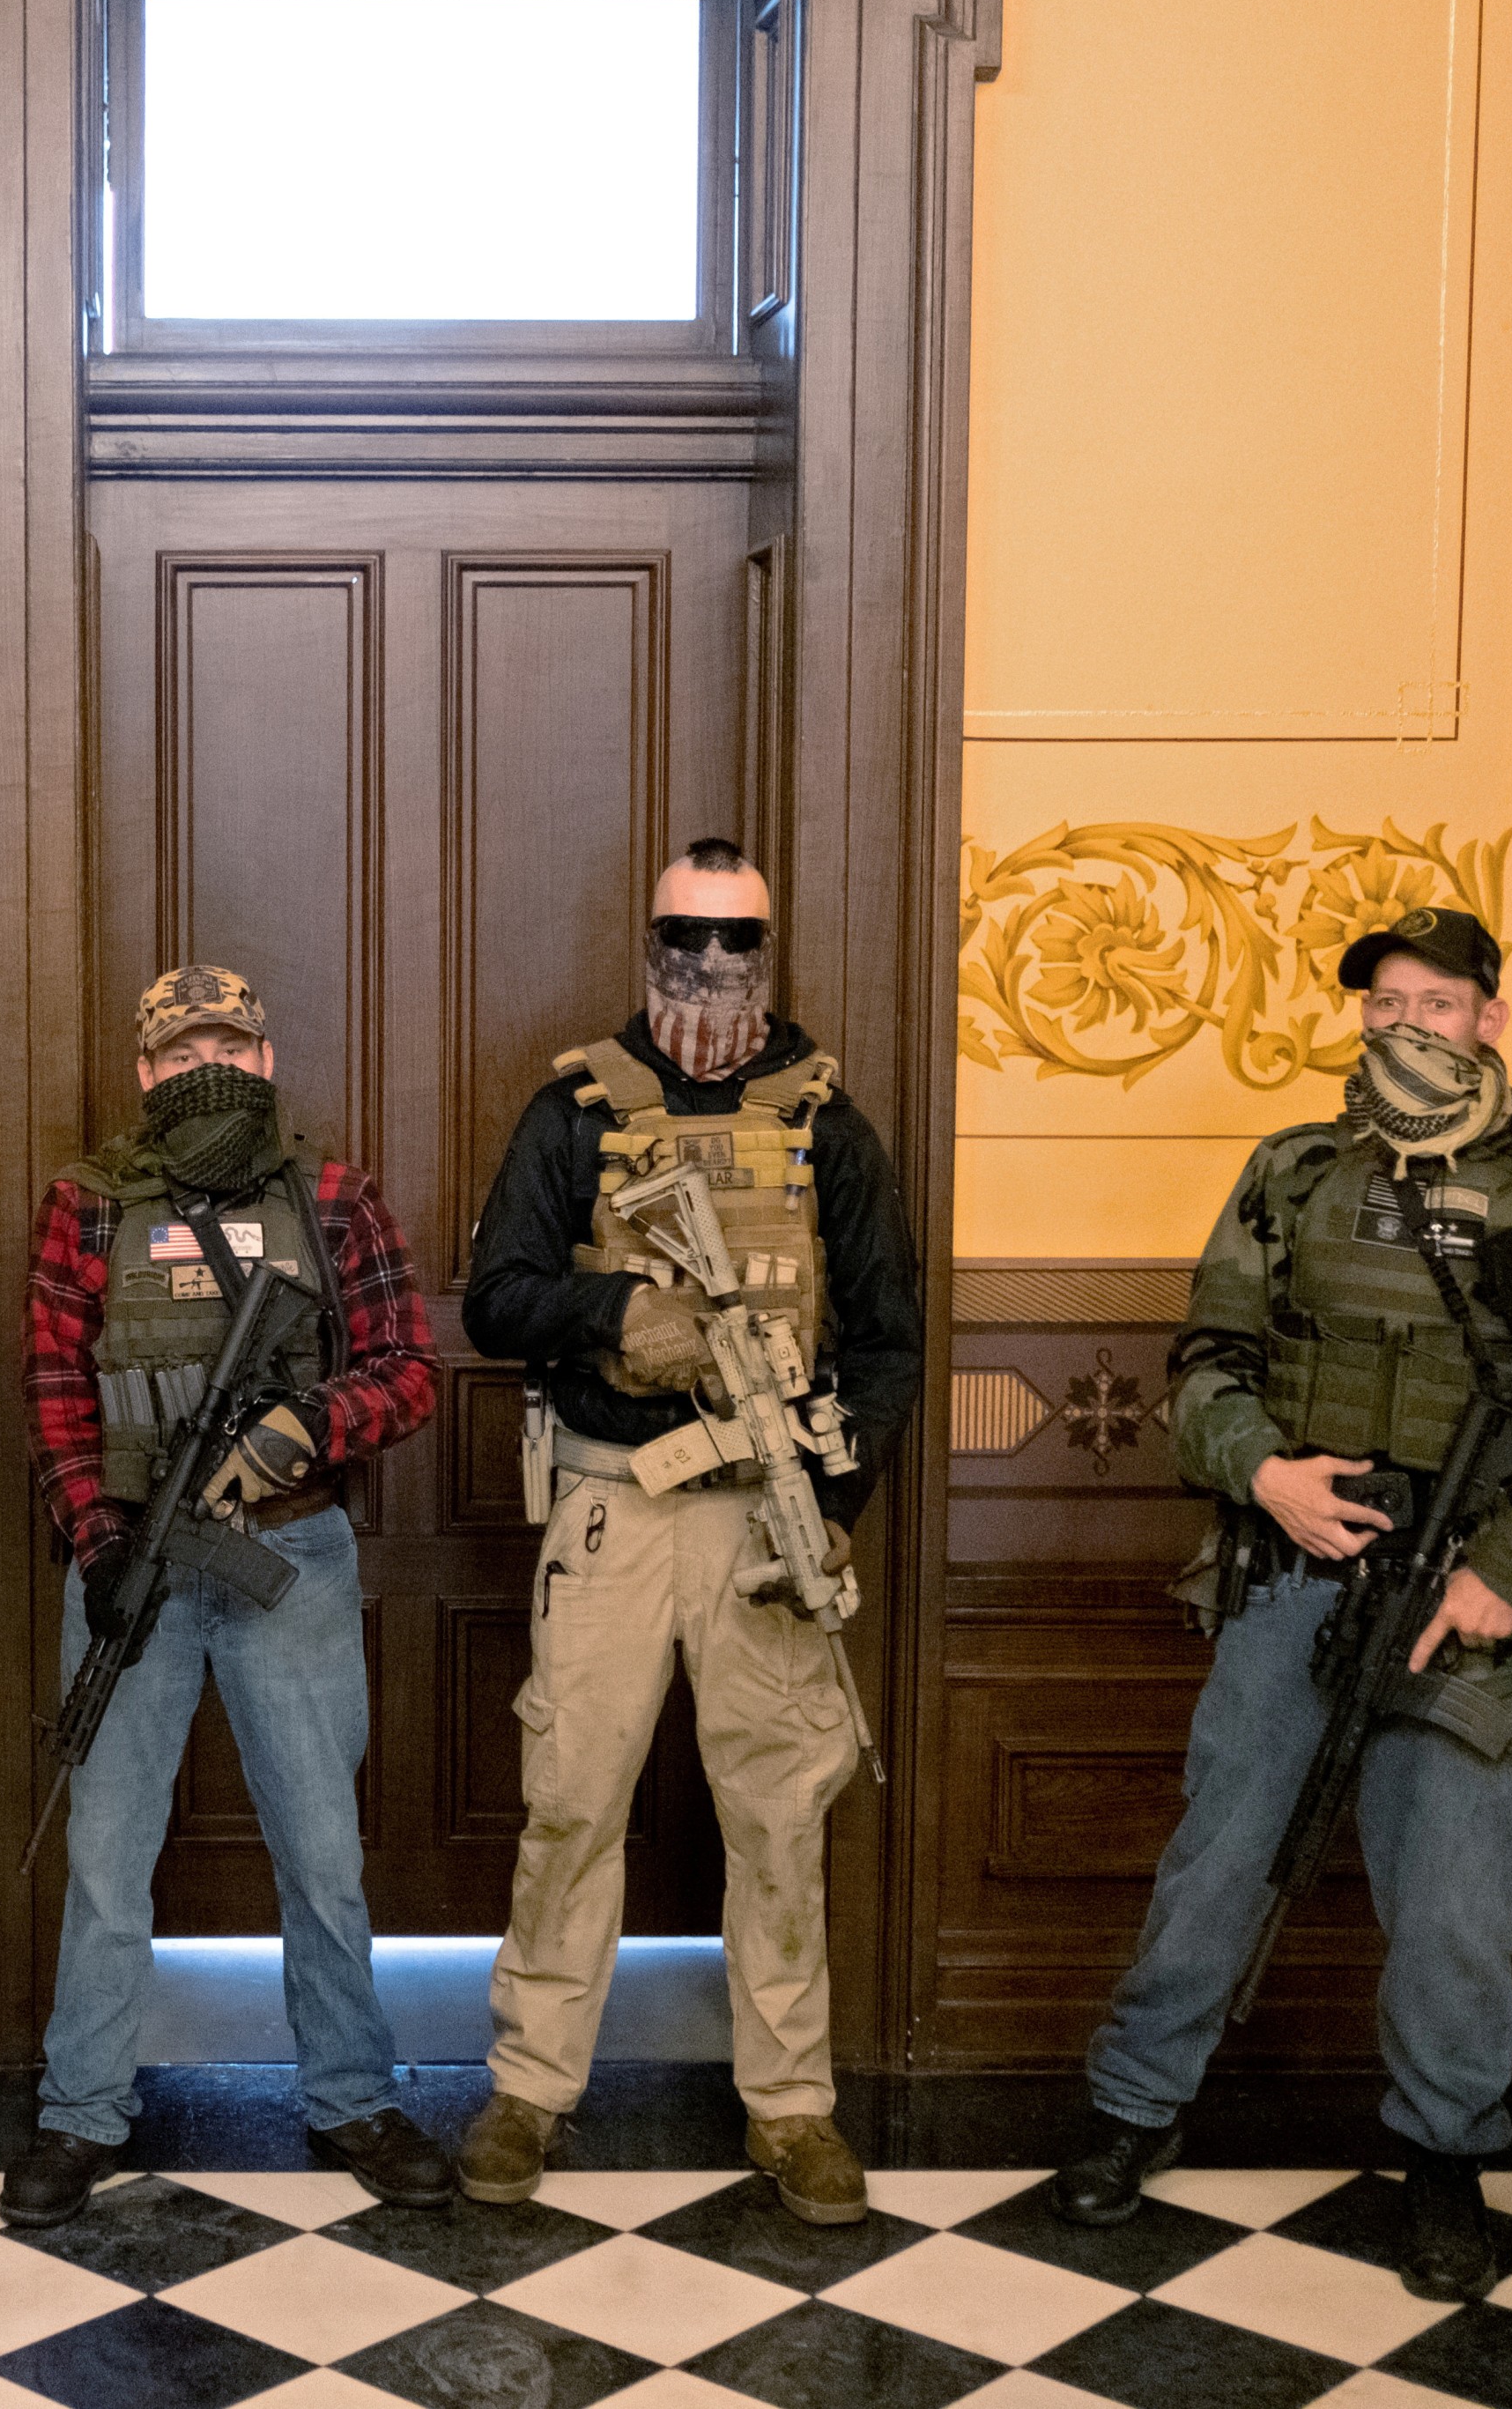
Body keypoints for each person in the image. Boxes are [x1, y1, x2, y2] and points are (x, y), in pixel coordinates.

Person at [1050, 907, 1512, 2302]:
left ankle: (1445, 2158)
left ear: (1489, 1020)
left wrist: (1505, 1576)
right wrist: (1265, 1470)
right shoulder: (1297, 1172)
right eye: (1386, 1005)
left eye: (1435, 1006)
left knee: (1454, 1896)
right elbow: (1205, 1358)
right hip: (1297, 1560)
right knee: (1220, 1855)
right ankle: (1134, 2107)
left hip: (1467, 1594)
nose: (1406, 1028)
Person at [456, 841, 923, 2224]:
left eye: (739, 941)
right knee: (571, 1800)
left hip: (761, 1520)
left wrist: (830, 1506)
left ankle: (792, 2106)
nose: (712, 966)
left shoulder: (828, 1124)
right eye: (684, 936)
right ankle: (531, 2086)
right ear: (646, 939)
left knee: (779, 1818)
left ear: (772, 949)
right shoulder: (576, 1111)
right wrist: (613, 1317)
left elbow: (890, 1340)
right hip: (612, 1504)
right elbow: (496, 1299)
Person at [0, 966, 450, 2226]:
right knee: (103, 1860)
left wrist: (311, 1421)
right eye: (181, 1048)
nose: (209, 1065)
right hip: (134, 1557)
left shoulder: (331, 1196)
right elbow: (55, 1386)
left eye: (231, 1045)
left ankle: (351, 2095)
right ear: (144, 1071)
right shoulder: (87, 1203)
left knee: (323, 1854)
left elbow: (409, 1368)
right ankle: (81, 2109)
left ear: (266, 1058)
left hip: (286, 1557)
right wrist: (98, 1541)